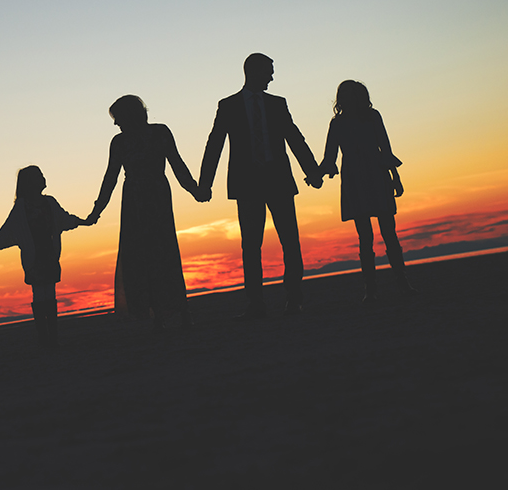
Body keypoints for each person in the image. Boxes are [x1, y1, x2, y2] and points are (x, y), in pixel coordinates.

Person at [197, 53, 322, 319]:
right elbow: (215, 144)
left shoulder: (278, 104)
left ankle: (294, 299)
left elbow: (294, 137)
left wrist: (311, 171)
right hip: (247, 183)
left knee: (290, 241)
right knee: (251, 245)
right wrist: (204, 184)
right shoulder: (228, 105)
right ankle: (255, 303)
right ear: (253, 71)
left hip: (278, 180)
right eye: (269, 71)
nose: (272, 77)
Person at [87, 95, 198, 329]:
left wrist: (194, 189)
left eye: (117, 118)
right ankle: (164, 310)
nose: (116, 124)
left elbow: (176, 164)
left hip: (147, 196)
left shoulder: (154, 134)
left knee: (160, 251)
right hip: (141, 198)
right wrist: (97, 210)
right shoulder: (128, 140)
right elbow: (111, 178)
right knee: (147, 254)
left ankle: (172, 309)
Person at [319, 80, 419, 301]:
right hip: (356, 180)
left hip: (376, 176)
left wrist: (395, 177)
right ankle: (371, 289)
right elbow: (329, 157)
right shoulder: (338, 124)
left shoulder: (372, 117)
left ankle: (401, 283)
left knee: (388, 233)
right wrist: (318, 173)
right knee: (366, 237)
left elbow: (385, 148)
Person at [0, 166, 88, 348]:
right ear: (31, 182)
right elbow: (9, 227)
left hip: (50, 254)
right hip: (34, 257)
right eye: (40, 175)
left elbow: (64, 219)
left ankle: (51, 338)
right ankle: (45, 338)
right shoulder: (21, 207)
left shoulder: (49, 202)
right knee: (40, 294)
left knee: (48, 293)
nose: (44, 178)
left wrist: (81, 221)